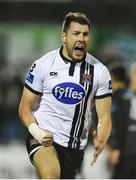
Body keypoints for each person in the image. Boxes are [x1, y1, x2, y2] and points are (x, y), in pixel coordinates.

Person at [18, 12, 112, 179]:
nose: (81, 39)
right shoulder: (43, 65)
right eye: (76, 33)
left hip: (75, 148)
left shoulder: (99, 71)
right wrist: (39, 133)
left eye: (85, 34)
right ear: (64, 37)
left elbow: (104, 118)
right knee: (50, 175)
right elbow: (24, 108)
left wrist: (101, 140)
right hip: (43, 139)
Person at [106, 64, 135, 178]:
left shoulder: (119, 97)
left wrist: (115, 148)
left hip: (125, 150)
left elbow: (120, 123)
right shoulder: (129, 95)